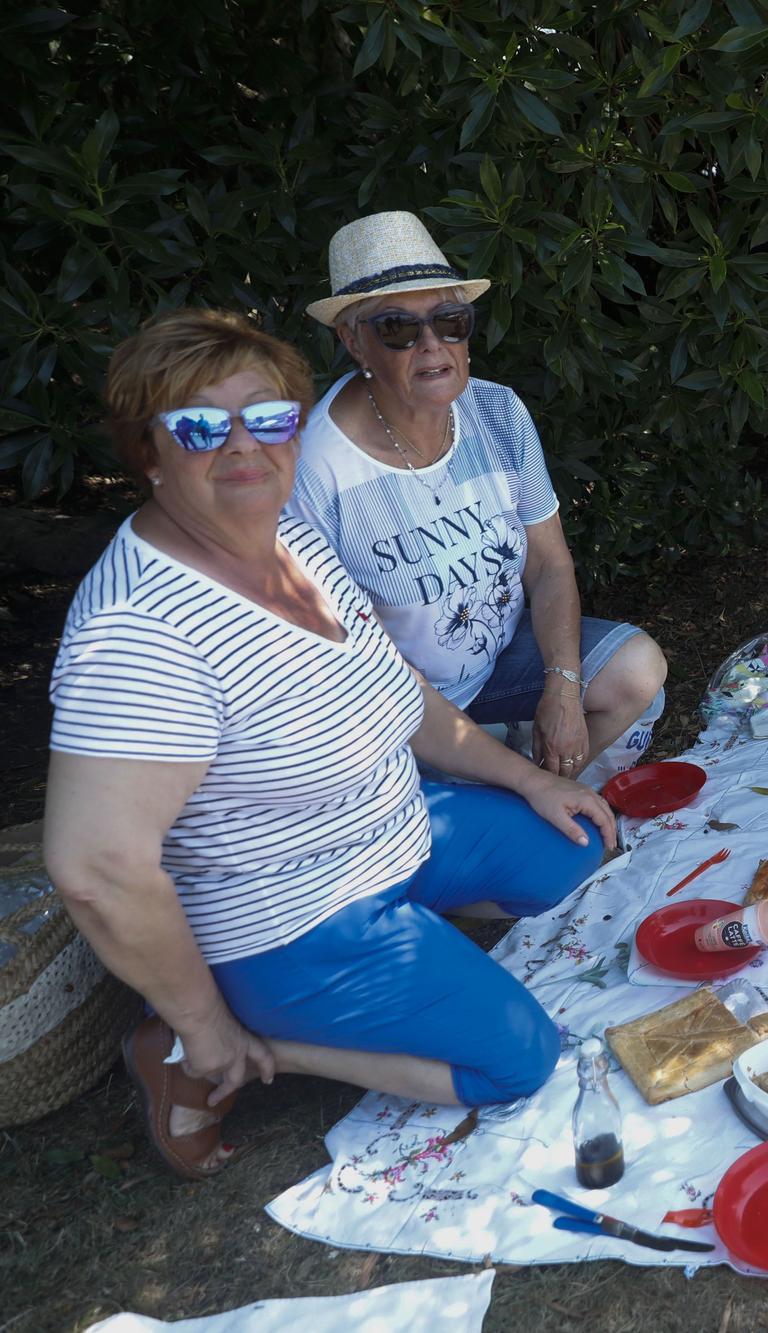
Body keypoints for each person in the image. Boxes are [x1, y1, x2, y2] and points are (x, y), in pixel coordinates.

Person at [44, 311, 620, 1177]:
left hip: (393, 829)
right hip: (286, 910)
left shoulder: (288, 533)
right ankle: (229, 1049)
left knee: (580, 848)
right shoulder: (138, 632)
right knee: (516, 1057)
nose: (245, 445)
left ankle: (408, 957)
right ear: (148, 452)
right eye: (201, 425)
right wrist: (211, 1026)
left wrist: (527, 781)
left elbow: (399, 695)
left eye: (269, 417)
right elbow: (96, 868)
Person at [290, 211, 667, 786]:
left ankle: (541, 797)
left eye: (449, 320)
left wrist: (562, 692)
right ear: (352, 342)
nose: (430, 345)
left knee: (637, 670)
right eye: (396, 328)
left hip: (497, 664)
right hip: (399, 709)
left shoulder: (497, 412)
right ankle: (517, 794)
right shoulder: (314, 467)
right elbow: (349, 662)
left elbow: (547, 563)